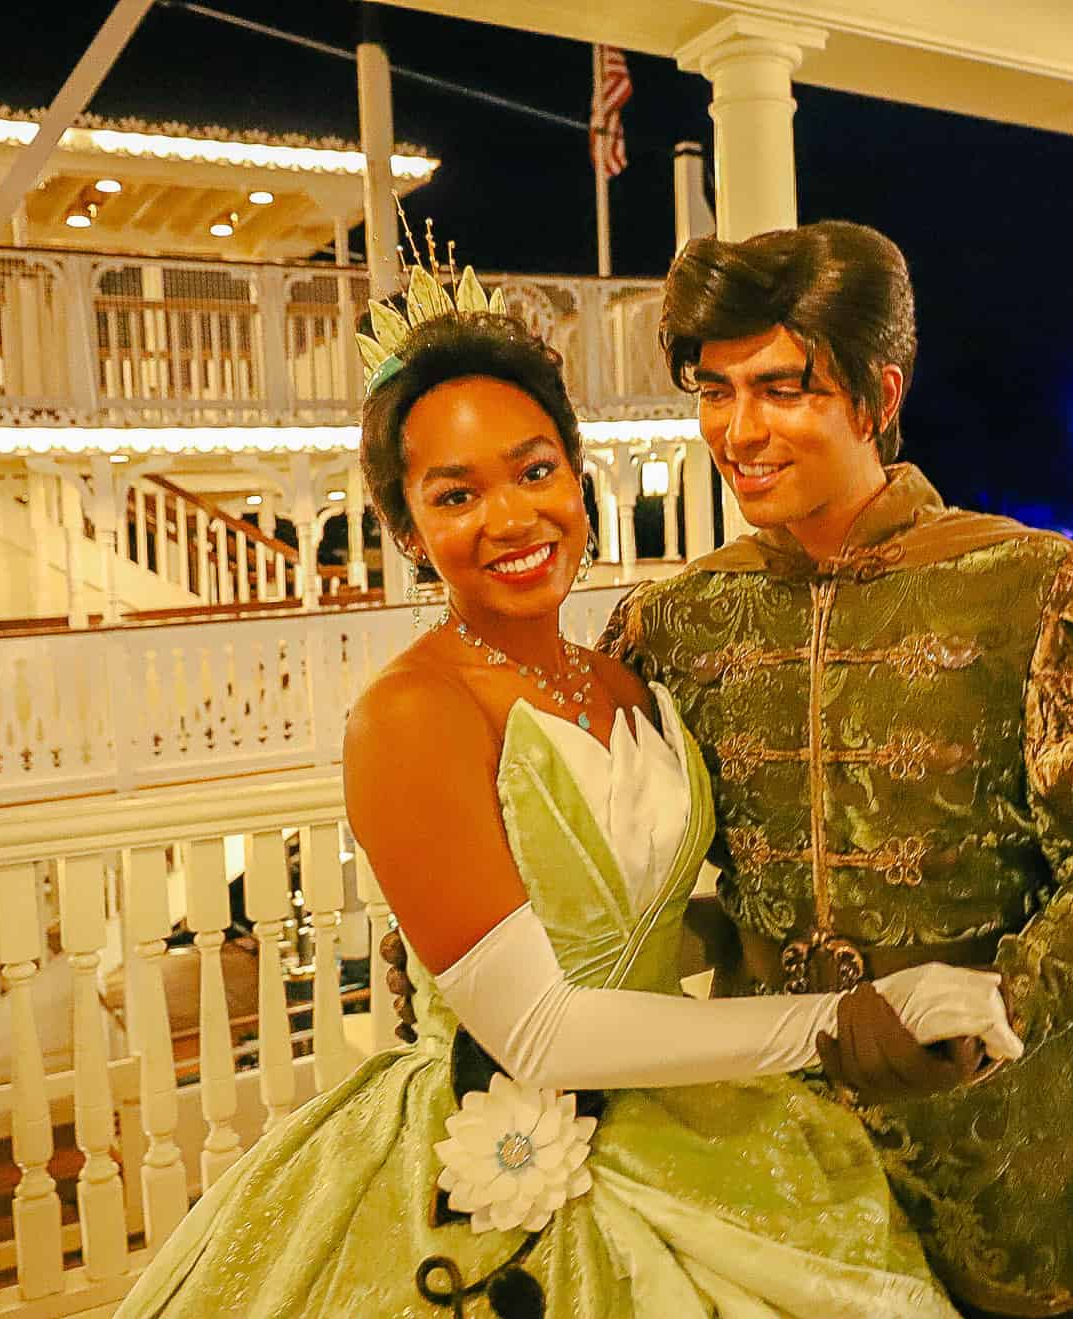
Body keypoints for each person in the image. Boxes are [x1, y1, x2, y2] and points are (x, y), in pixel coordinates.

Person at [117, 270, 981, 1318]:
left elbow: (634, 915)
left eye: (534, 470)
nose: (510, 517)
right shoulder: (411, 713)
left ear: (579, 476)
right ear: (406, 527)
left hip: (690, 1118)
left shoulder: (623, 677)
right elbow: (537, 1029)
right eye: (455, 493)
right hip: (508, 1145)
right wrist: (836, 1020)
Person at [599, 221, 1073, 1319]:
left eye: (785, 390)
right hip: (771, 1143)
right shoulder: (675, 624)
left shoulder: (1037, 593)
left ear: (878, 395)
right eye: (716, 390)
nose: (739, 431)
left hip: (1003, 1151)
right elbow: (662, 875)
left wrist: (1002, 1000)